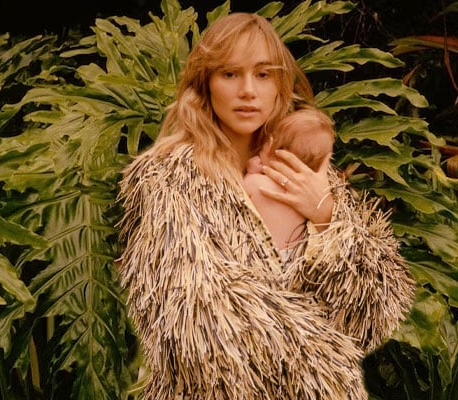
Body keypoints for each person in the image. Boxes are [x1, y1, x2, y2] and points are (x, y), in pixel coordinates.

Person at [117, 12, 415, 400]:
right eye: (229, 74)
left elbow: (372, 313)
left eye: (262, 74)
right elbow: (194, 325)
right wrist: (322, 356)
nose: (247, 91)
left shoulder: (306, 171)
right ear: (205, 83)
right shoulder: (167, 178)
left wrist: (326, 215)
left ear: (279, 85)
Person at [243, 108, 335, 251]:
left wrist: (251, 172)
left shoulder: (257, 183)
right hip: (293, 258)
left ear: (271, 145)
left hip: (261, 255)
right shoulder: (311, 198)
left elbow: (237, 197)